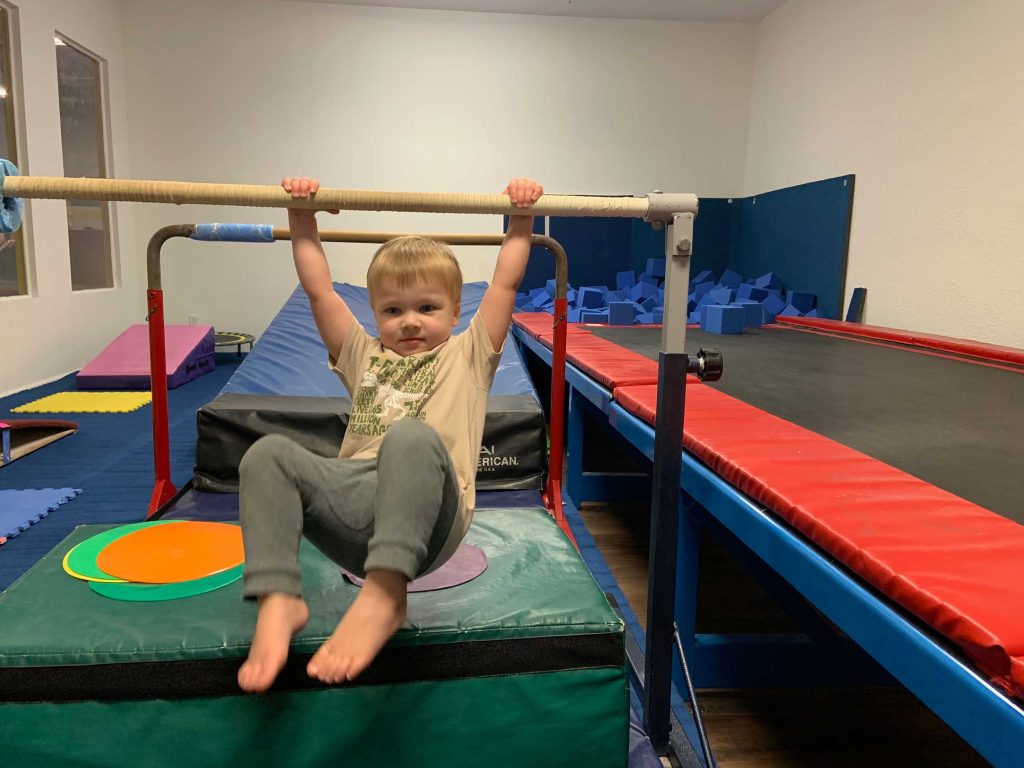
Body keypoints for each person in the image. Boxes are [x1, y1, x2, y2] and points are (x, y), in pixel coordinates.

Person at [237, 175, 543, 692]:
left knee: (410, 437)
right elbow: (319, 290)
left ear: (454, 310)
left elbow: (504, 284)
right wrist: (302, 217)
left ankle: (384, 592)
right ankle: (278, 598)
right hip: (357, 516)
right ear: (375, 314)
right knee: (267, 455)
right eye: (393, 311)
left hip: (430, 524)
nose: (409, 323)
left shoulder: (467, 356)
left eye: (427, 308)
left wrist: (521, 218)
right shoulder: (362, 355)